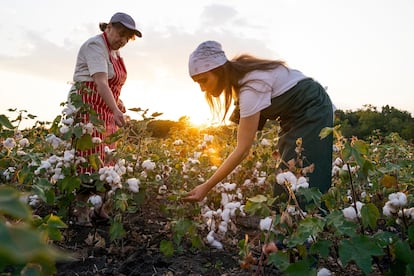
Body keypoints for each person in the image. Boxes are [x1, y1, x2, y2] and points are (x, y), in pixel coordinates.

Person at [183, 40, 334, 204]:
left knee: (298, 180)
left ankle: (309, 225)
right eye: (198, 82)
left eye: (204, 80)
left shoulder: (251, 87)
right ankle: (297, 223)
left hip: (313, 111)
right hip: (296, 117)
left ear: (220, 71)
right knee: (288, 181)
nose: (202, 89)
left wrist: (206, 186)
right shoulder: (244, 81)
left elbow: (242, 149)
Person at [68, 12, 142, 223]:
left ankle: (100, 210)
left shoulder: (115, 53)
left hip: (105, 110)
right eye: (121, 33)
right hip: (88, 108)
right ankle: (82, 214)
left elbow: (111, 86)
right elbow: (100, 82)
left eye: (128, 37)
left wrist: (117, 103)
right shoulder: (95, 46)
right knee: (89, 160)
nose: (123, 40)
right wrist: (116, 110)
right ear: (108, 27)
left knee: (108, 160)